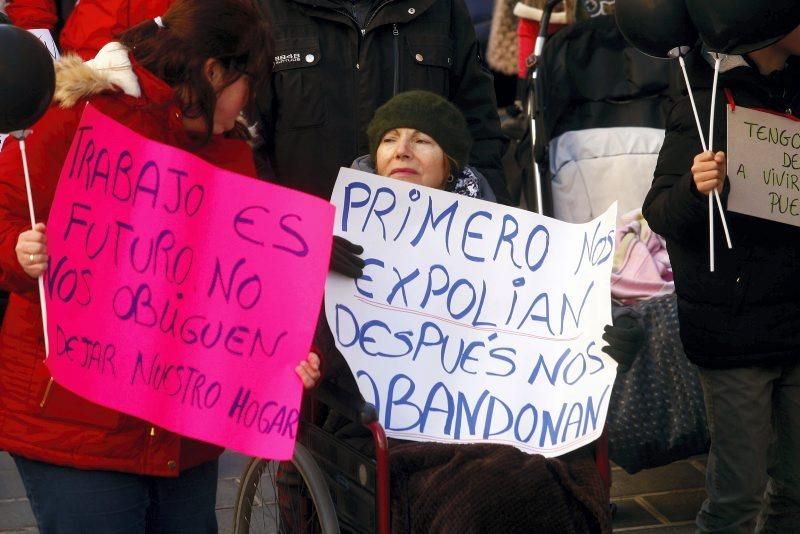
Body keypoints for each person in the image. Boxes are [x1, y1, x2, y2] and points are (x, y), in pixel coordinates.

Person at [0, 1, 321, 531]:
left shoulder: (231, 152)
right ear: (215, 72)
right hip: (78, 424)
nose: (252, 102)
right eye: (250, 84)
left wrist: (286, 356)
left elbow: (248, 289)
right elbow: (7, 214)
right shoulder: (78, 114)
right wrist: (17, 252)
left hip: (181, 431)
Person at [317, 90, 640, 532]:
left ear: (449, 161)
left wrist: (608, 339)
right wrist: (313, 267)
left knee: (543, 482)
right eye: (390, 139)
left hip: (501, 426)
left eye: (422, 140)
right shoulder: (336, 239)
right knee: (497, 494)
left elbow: (554, 321)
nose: (403, 150)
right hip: (395, 434)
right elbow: (316, 351)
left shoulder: (503, 241)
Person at [642, 16, 800, 533]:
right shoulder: (703, 94)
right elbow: (661, 212)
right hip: (734, 331)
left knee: (795, 493)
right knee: (737, 497)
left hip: (793, 319)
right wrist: (696, 187)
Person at [258, 0, 511, 204]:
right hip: (299, 246)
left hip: (424, 249)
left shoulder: (442, 7)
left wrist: (491, 228)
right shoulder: (265, 10)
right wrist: (300, 230)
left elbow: (479, 131)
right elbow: (249, 144)